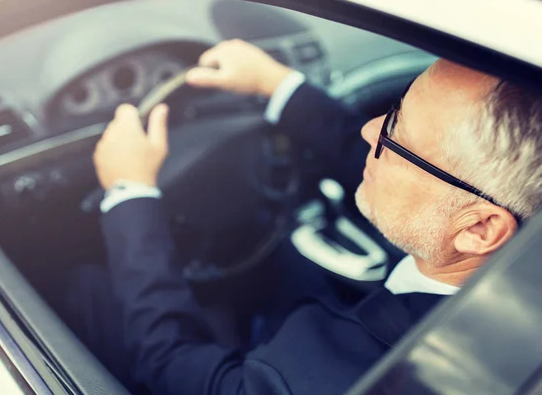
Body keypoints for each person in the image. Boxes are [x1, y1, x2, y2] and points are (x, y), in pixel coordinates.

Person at [69, 39, 542, 395]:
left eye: (395, 134)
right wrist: (276, 85)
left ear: (480, 230)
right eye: (393, 109)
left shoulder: (340, 377)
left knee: (88, 288)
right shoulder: (495, 232)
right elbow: (406, 167)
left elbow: (170, 362)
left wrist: (129, 190)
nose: (368, 128)